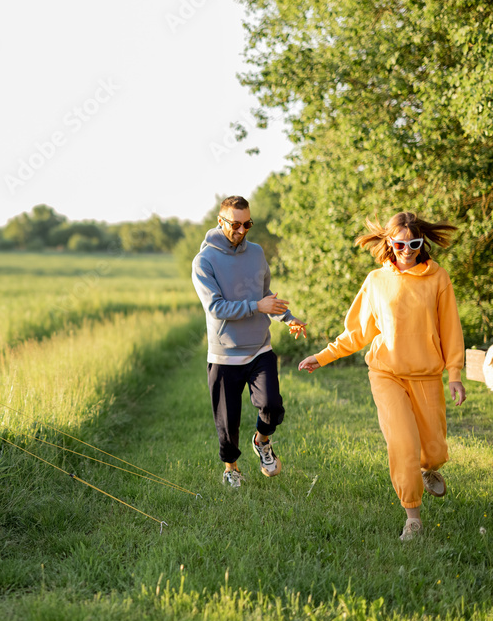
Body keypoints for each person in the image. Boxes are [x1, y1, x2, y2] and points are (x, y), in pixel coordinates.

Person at [298, 212, 465, 541]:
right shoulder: (376, 281)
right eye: (399, 243)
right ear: (390, 243)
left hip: (427, 375)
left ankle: (428, 468)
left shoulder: (437, 279)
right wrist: (324, 356)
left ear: (422, 243)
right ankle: (413, 517)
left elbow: (450, 329)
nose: (406, 249)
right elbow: (357, 333)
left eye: (413, 243)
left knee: (434, 451)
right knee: (402, 443)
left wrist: (455, 373)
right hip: (386, 374)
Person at [192, 196, 306, 488]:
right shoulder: (204, 260)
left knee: (272, 405)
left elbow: (266, 295)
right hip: (224, 356)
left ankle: (262, 441)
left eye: (247, 224)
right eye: (235, 224)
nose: (242, 230)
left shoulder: (256, 253)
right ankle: (231, 468)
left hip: (260, 348)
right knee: (227, 423)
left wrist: (288, 317)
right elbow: (216, 308)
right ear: (221, 221)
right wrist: (257, 306)